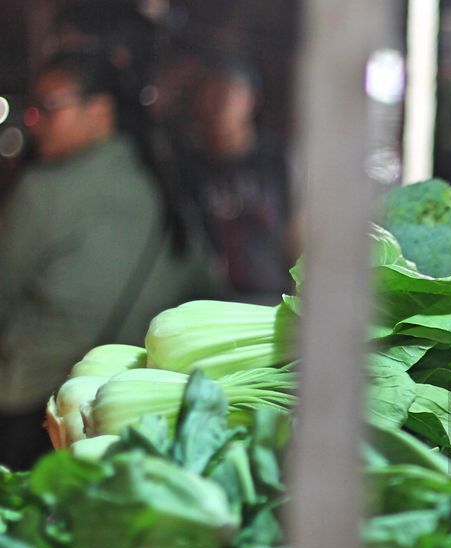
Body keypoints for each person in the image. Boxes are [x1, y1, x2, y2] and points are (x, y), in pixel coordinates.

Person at [0, 52, 213, 470]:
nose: (34, 120)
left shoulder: (43, 191)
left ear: (99, 111)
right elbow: (206, 286)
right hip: (126, 417)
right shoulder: (167, 186)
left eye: (49, 106)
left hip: (29, 409)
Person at [180, 56, 295, 304]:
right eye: (210, 93)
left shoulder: (277, 161)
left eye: (229, 93)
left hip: (269, 297)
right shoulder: (187, 165)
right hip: (205, 300)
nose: (219, 104)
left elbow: (298, 229)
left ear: (252, 100)